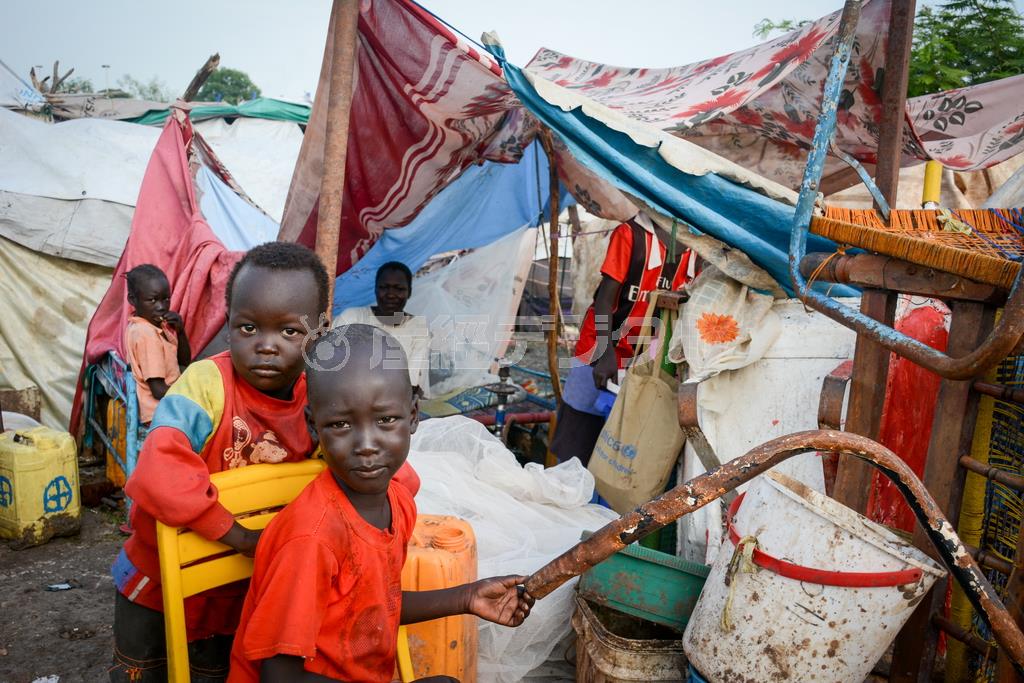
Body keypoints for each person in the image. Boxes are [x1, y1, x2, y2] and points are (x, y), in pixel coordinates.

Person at [228, 324, 534, 683]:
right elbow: (279, 675)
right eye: (341, 424)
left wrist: (467, 598)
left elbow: (372, 608)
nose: (367, 444)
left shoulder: (397, 502)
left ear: (414, 415)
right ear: (314, 426)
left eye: (386, 420)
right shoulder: (311, 540)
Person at [109, 242, 332, 682]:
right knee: (145, 674)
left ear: (319, 332)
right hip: (157, 586)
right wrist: (242, 538)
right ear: (229, 324)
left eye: (289, 332)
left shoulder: (322, 398)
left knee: (213, 674)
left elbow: (370, 474)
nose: (266, 347)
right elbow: (158, 472)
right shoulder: (207, 385)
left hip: (242, 595)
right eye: (249, 328)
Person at [550, 213, 692, 466]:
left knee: (618, 445)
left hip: (641, 358)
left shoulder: (693, 250)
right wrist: (605, 354)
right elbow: (605, 299)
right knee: (578, 435)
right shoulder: (631, 235)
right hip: (598, 347)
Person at [334, 261, 431, 397]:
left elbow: (413, 382)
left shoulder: (418, 329)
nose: (391, 294)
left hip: (397, 401)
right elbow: (331, 365)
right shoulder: (351, 318)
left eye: (399, 288)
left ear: (409, 292)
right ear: (375, 290)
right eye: (384, 287)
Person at [124, 264, 191, 425]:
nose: (161, 307)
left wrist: (180, 332)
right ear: (133, 300)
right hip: (160, 413)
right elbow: (158, 390)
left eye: (166, 299)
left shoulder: (153, 327)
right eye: (152, 300)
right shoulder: (146, 334)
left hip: (166, 406)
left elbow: (183, 361)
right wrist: (191, 397)